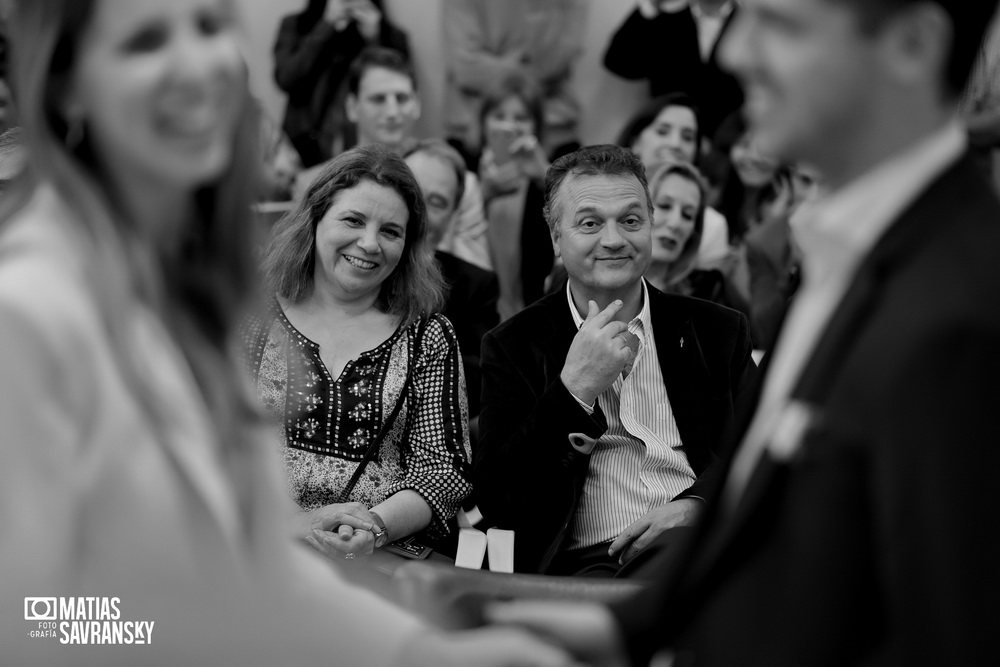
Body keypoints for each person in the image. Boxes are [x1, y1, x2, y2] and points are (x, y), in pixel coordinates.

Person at [0, 1, 579, 665]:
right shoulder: (28, 307)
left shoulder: (187, 291)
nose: (196, 62)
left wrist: (421, 649)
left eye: (210, 25)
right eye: (146, 40)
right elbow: (33, 621)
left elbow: (256, 555)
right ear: (67, 84)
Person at [490, 0, 1000, 664]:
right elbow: (763, 513)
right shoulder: (840, 254)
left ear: (912, 45)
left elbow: (944, 628)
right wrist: (625, 631)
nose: (734, 53)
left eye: (781, 24)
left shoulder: (961, 308)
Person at [476, 144, 756, 576]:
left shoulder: (716, 331)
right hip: (592, 563)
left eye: (630, 221)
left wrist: (695, 506)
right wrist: (574, 391)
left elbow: (759, 449)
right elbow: (502, 502)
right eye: (590, 223)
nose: (613, 240)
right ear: (555, 237)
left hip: (706, 543)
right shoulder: (515, 346)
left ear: (649, 226)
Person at [243, 144, 473, 559]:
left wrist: (372, 529)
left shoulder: (428, 336)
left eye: (390, 231)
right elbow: (204, 441)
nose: (369, 243)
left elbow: (443, 472)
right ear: (314, 220)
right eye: (353, 220)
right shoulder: (251, 315)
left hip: (373, 558)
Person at [295, 46, 495, 273]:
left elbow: (476, 280)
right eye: (378, 99)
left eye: (401, 98)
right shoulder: (313, 183)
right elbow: (303, 263)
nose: (392, 111)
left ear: (417, 104)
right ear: (352, 107)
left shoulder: (462, 184)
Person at [403, 139, 499, 420]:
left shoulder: (477, 285)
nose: (419, 212)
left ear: (453, 215)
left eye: (437, 202)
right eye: (411, 194)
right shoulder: (355, 266)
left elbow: (481, 378)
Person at [441, 0, 588, 160]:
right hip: (470, 134)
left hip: (555, 131)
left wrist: (498, 65)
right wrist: (525, 66)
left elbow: (553, 63)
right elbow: (466, 71)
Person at [273, 0, 409, 168]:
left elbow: (395, 87)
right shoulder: (296, 25)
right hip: (302, 146)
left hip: (365, 153)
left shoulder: (391, 36)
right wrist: (325, 26)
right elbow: (287, 79)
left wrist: (374, 39)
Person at [616, 94, 731, 274]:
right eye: (663, 131)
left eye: (687, 137)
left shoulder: (712, 224)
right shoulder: (600, 200)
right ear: (636, 141)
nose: (675, 144)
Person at [604, 0, 743, 138]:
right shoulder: (666, 19)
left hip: (730, 141)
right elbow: (618, 62)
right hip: (668, 134)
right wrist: (651, 6)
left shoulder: (749, 22)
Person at [477, 71, 554, 319]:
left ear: (536, 125)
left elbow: (575, 218)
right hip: (477, 309)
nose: (510, 126)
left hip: (530, 310)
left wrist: (545, 175)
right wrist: (483, 192)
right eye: (499, 116)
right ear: (483, 122)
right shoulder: (464, 168)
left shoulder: (544, 176)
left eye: (521, 117)